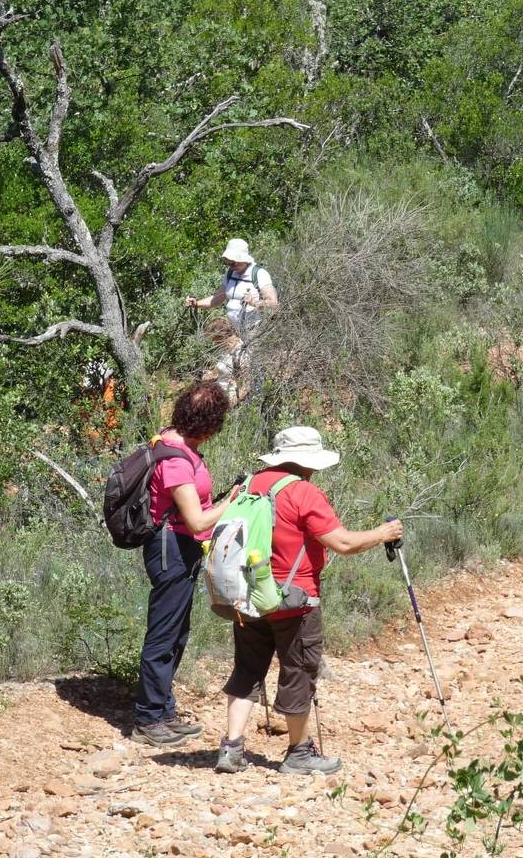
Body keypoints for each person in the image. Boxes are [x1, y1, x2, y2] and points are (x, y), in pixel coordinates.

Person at [214, 426, 403, 776]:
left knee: (246, 669)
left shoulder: (248, 485)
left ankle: (231, 748)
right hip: (295, 600)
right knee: (298, 670)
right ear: (307, 462)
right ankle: (298, 752)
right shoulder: (304, 493)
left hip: (250, 595)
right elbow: (343, 544)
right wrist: (383, 533)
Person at [133, 381, 240, 747]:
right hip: (173, 547)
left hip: (180, 547)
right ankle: (148, 718)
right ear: (208, 424)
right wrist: (231, 502)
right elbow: (196, 521)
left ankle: (163, 710)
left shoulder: (171, 441)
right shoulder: (177, 460)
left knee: (176, 631)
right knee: (164, 633)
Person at [184, 238, 278, 342]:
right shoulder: (230, 273)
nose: (231, 266)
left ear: (244, 259)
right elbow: (216, 300)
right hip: (233, 333)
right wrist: (196, 303)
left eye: (234, 263)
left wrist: (253, 302)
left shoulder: (259, 274)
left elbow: (273, 303)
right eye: (228, 263)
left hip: (254, 332)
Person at [201, 316, 246, 406]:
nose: (213, 343)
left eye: (214, 339)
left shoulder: (240, 353)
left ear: (221, 336)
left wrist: (231, 404)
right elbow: (222, 370)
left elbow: (247, 386)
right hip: (218, 396)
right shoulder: (224, 349)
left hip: (229, 400)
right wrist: (211, 374)